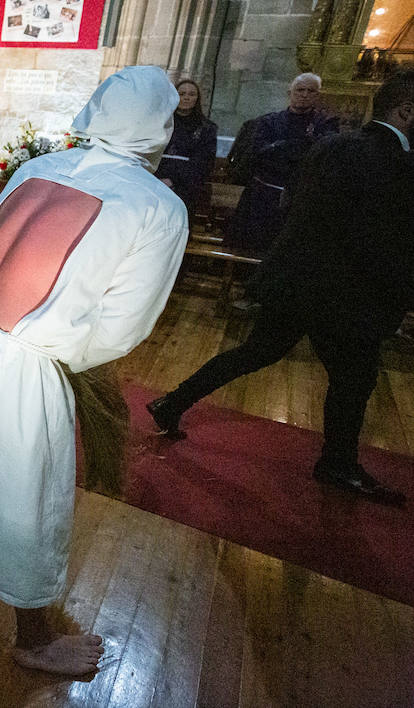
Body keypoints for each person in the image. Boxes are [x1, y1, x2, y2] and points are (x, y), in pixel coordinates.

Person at [0, 66, 188, 676]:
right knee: (25, 502)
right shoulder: (159, 205)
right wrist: (50, 353)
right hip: (20, 362)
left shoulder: (37, 168)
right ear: (160, 128)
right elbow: (124, 328)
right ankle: (32, 639)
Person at [148, 71, 414, 507]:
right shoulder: (395, 164)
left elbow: (297, 207)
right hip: (345, 296)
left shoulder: (334, 144)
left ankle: (172, 402)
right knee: (353, 379)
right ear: (406, 112)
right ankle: (338, 463)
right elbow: (388, 243)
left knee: (256, 353)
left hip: (297, 281)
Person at [224, 73, 337, 253]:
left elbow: (319, 155)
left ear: (318, 95)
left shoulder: (326, 124)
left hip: (297, 200)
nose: (304, 94)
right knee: (249, 247)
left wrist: (280, 147)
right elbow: (260, 153)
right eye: (300, 90)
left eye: (311, 91)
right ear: (289, 92)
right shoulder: (269, 121)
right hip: (261, 195)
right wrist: (299, 146)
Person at [154, 76, 218, 213]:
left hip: (186, 185)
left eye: (191, 94)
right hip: (154, 180)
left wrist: (172, 180)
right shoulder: (160, 122)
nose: (186, 98)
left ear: (197, 99)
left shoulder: (206, 128)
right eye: (181, 94)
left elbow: (203, 162)